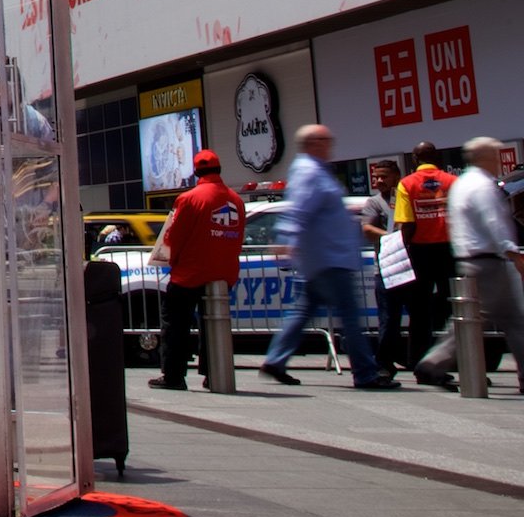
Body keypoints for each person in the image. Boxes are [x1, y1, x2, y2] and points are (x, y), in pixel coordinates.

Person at [260, 124, 397, 389]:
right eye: (326, 140)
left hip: (325, 256)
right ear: (314, 143)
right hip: (328, 258)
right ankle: (366, 373)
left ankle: (276, 360)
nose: (331, 144)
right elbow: (299, 209)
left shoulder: (316, 171)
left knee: (302, 311)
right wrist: (287, 238)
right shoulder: (310, 172)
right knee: (349, 316)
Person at [413, 137, 524, 390]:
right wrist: (513, 252)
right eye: (495, 156)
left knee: (497, 319)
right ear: (486, 158)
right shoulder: (482, 186)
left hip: (469, 259)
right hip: (487, 262)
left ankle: (433, 362)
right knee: (500, 319)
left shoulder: (461, 184)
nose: (498, 161)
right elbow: (494, 222)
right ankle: (432, 363)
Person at [150, 150, 245, 391]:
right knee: (212, 323)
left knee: (175, 323)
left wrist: (171, 261)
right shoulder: (236, 200)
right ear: (219, 169)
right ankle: (213, 372)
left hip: (190, 273)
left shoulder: (189, 199)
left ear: (195, 172)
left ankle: (174, 375)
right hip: (223, 272)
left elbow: (174, 237)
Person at [395, 141, 457, 364]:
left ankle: (418, 361)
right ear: (438, 157)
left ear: (414, 159)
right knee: (456, 308)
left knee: (419, 311)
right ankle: (459, 360)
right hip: (450, 251)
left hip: (421, 253)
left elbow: (407, 223)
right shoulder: (453, 182)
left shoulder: (407, 184)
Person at [362, 160, 412, 374]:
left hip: (411, 267)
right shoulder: (374, 203)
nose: (379, 181)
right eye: (377, 177)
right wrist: (394, 238)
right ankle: (384, 363)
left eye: (384, 176)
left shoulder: (406, 197)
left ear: (396, 176)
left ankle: (415, 359)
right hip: (386, 269)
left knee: (421, 317)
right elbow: (367, 229)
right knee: (389, 318)